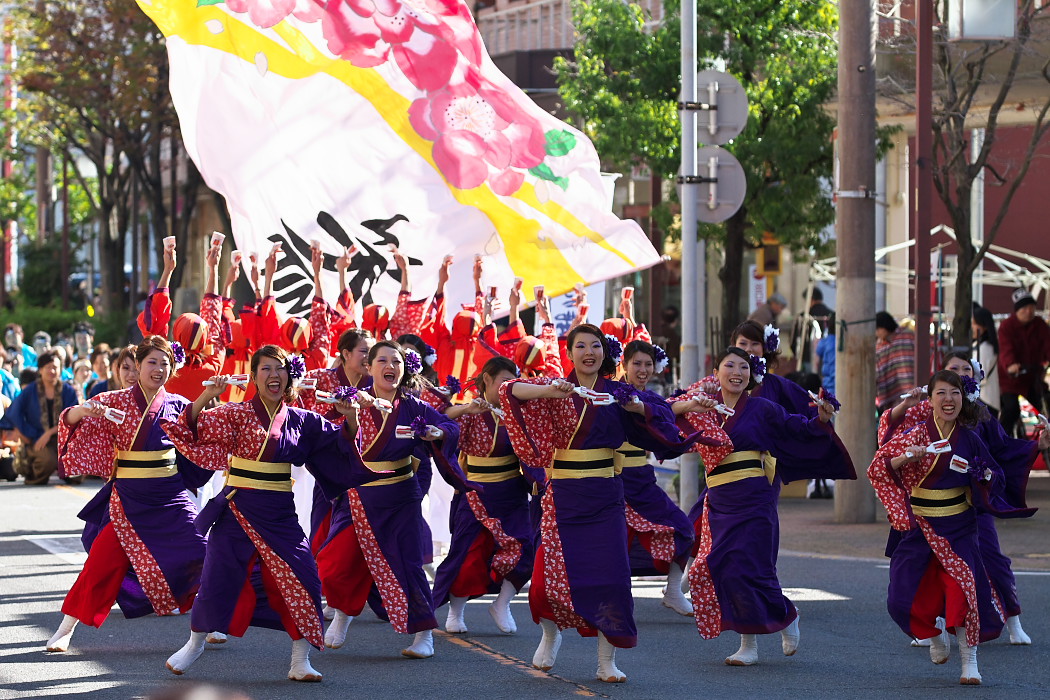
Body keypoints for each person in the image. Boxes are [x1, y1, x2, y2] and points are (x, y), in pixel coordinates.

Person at [499, 324, 703, 683]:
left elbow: (661, 412)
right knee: (547, 577)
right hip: (563, 497)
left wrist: (637, 406)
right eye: (580, 346)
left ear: (604, 353)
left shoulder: (617, 392)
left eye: (595, 345)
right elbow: (509, 390)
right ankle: (550, 635)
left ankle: (606, 661)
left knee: (611, 579)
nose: (588, 351)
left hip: (606, 496)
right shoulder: (556, 388)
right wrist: (548, 389)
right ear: (570, 352)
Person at [161, 345, 370, 681]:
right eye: (266, 369)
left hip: (279, 512)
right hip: (237, 508)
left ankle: (300, 660)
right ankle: (195, 643)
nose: (274, 376)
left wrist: (351, 418)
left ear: (290, 375)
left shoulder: (303, 420)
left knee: (304, 577)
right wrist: (206, 395)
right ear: (254, 376)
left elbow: (338, 444)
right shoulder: (235, 413)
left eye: (280, 369)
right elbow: (190, 428)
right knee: (217, 577)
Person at [678, 347, 854, 666]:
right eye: (728, 365)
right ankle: (781, 618)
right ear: (715, 374)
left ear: (750, 375)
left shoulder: (762, 408)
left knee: (754, 569)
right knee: (725, 568)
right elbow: (666, 417)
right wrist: (691, 400)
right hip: (719, 500)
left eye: (743, 367)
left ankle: (758, 639)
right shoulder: (702, 409)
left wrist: (822, 418)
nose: (736, 371)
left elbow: (798, 427)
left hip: (755, 497)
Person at [45, 336, 212, 653]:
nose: (159, 369)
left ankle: (211, 621)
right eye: (152, 362)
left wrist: (209, 397)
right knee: (100, 564)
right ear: (138, 365)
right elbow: (67, 419)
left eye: (165, 363)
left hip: (171, 498)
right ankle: (67, 628)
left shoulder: (177, 405)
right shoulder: (115, 401)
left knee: (205, 552)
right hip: (129, 501)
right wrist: (84, 411)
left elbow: (201, 433)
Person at [868, 370, 1037, 685]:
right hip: (918, 528)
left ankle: (969, 663)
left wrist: (984, 477)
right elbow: (878, 467)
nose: (948, 399)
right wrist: (905, 457)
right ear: (929, 399)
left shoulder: (970, 438)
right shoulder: (916, 434)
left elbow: (996, 476)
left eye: (955, 392)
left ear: (964, 397)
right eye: (941, 392)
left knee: (964, 594)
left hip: (958, 527)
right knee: (900, 599)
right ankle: (934, 636)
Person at [315, 340, 468, 660]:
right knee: (336, 562)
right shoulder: (352, 400)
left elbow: (449, 425)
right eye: (381, 360)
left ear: (404, 368)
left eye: (396, 361)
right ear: (368, 368)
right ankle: (342, 615)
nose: (390, 366)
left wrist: (436, 435)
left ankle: (424, 635)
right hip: (359, 496)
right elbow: (334, 442)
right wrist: (351, 419)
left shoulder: (412, 406)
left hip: (401, 497)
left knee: (409, 566)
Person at [432, 355, 534, 635]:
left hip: (512, 493)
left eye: (513, 382)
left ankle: (502, 603)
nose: (508, 387)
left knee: (525, 549)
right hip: (477, 494)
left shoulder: (520, 412)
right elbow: (440, 424)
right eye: (503, 381)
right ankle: (456, 611)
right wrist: (465, 409)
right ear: (487, 380)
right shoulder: (471, 412)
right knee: (468, 555)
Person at [617, 340, 697, 615]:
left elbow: (664, 411)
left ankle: (673, 590)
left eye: (647, 364)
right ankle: (611, 603)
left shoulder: (650, 398)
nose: (642, 369)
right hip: (609, 480)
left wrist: (691, 406)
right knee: (611, 545)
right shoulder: (611, 394)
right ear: (623, 365)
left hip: (641, 480)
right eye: (636, 363)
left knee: (683, 528)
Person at [9, 351, 79, 485]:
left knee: (77, 471)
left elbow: (74, 416)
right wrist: (24, 434)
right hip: (37, 439)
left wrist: (50, 432)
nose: (52, 371)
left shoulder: (68, 390)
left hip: (63, 439)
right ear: (40, 370)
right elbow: (13, 413)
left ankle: (67, 474)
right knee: (49, 460)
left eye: (56, 367)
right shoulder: (30, 390)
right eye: (48, 367)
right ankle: (33, 475)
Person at [997, 288, 1050, 438]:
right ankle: (1001, 439)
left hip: (1034, 376)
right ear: (1017, 310)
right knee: (1011, 409)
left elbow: (1048, 344)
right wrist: (1011, 364)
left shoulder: (1040, 324)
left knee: (1045, 404)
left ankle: (1043, 439)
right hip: (1011, 379)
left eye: (1032, 308)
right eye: (1025, 308)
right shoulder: (1007, 326)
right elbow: (1006, 349)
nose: (1029, 312)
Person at [875, 311, 916, 414]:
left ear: (883, 327)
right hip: (892, 397)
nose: (876, 333)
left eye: (877, 329)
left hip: (912, 388)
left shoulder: (907, 335)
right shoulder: (880, 345)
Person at [971, 304, 999, 417]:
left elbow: (981, 376)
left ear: (983, 326)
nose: (972, 326)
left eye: (974, 323)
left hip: (986, 400)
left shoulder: (985, 348)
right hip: (987, 398)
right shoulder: (982, 346)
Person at [815, 312, 837, 395]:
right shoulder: (843, 343)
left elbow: (818, 353)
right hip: (839, 386)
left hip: (826, 386)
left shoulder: (824, 341)